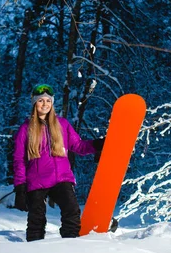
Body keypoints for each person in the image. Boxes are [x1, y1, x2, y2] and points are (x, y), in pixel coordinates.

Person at [13, 84, 104, 242]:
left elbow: (78, 146)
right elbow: (19, 159)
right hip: (36, 181)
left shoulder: (62, 124)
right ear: (35, 103)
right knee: (37, 219)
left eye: (48, 100)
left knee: (72, 211)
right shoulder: (25, 129)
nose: (45, 104)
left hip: (61, 178)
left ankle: (69, 245)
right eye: (41, 100)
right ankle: (34, 252)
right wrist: (20, 188)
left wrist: (96, 145)